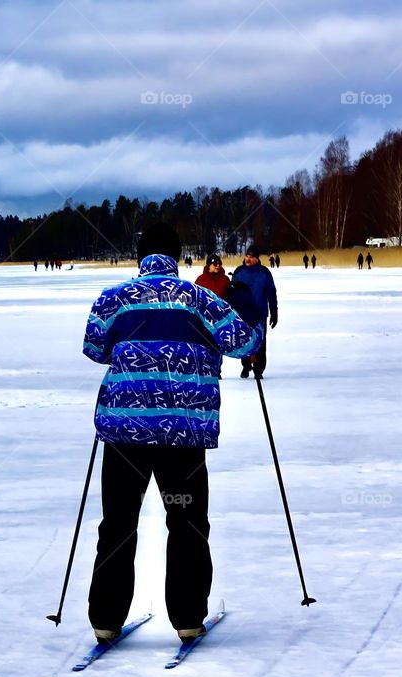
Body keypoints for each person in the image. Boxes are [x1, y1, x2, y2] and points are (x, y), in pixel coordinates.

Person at [82, 222, 262, 645]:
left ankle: (104, 619)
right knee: (186, 521)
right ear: (178, 257)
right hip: (182, 432)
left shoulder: (115, 298)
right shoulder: (200, 298)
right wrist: (247, 309)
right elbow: (243, 343)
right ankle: (186, 617)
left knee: (119, 522)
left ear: (139, 257)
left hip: (125, 433)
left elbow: (94, 347)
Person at [232, 245, 277, 379]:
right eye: (247, 256)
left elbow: (271, 293)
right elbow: (232, 292)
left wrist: (274, 312)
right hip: (243, 314)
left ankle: (259, 370)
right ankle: (246, 366)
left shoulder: (264, 273)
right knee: (244, 342)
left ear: (257, 259)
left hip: (259, 314)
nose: (248, 258)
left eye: (251, 256)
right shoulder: (239, 271)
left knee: (261, 342)